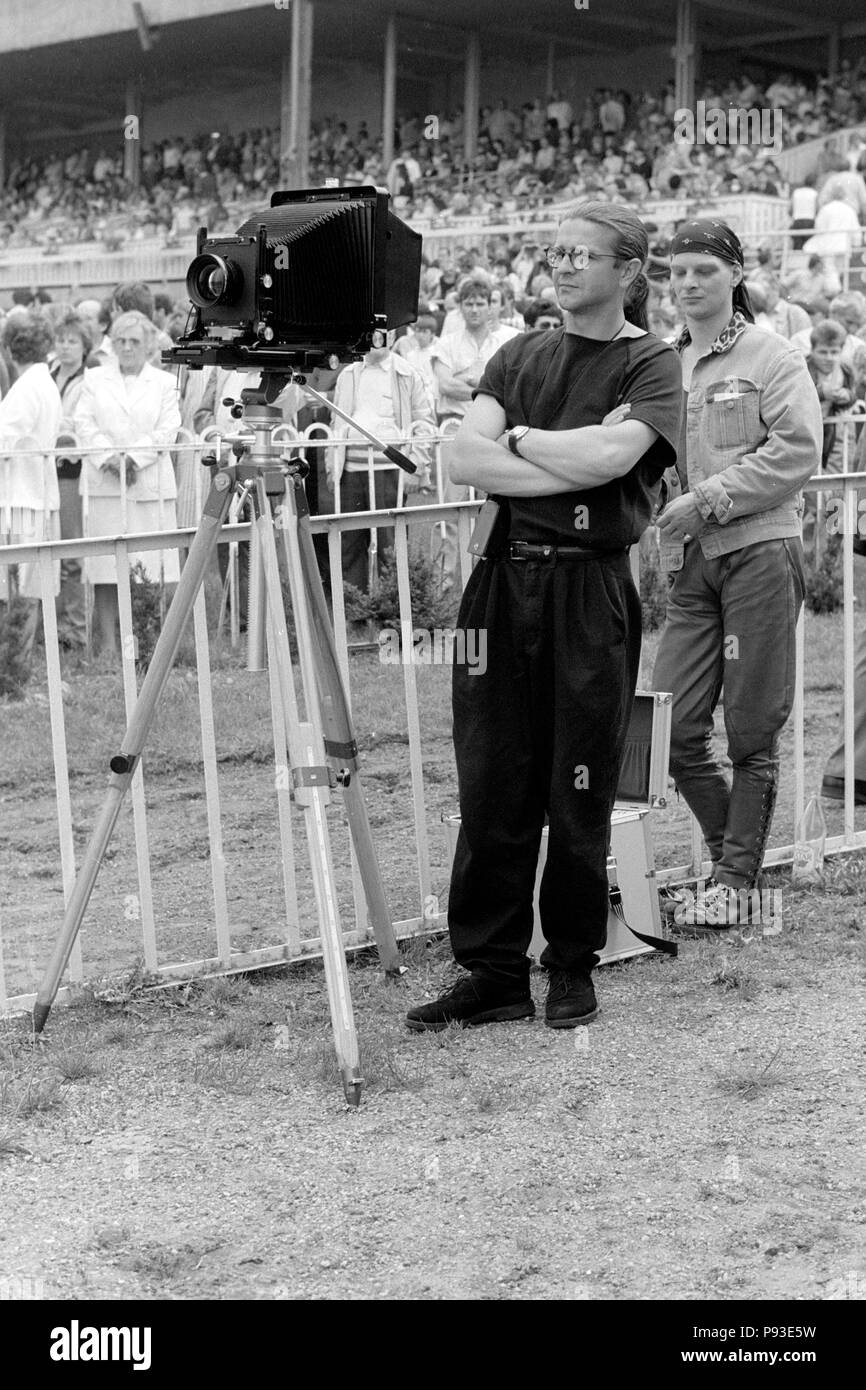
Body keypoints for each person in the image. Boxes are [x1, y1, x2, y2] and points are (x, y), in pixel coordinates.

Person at [405, 202, 682, 1033]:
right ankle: (491, 973)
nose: (561, 267)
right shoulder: (518, 351)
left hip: (588, 591)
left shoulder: (651, 363)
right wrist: (557, 453)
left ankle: (570, 964)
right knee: (491, 780)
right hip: (500, 583)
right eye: (555, 253)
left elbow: (615, 457)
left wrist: (519, 445)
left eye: (582, 255)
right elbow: (461, 454)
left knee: (579, 782)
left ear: (628, 271)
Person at [652, 219, 823, 929]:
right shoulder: (662, 364)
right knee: (670, 726)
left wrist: (709, 500)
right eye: (677, 272)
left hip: (757, 551)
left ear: (734, 275)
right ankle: (734, 868)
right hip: (691, 565)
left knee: (751, 728)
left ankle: (733, 879)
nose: (688, 284)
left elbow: (799, 448)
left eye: (703, 271)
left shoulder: (771, 354)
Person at [74, 311, 182, 657]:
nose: (127, 347)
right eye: (121, 341)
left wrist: (134, 459)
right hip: (105, 484)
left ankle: (147, 644)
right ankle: (108, 648)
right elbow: (83, 422)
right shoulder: (94, 378)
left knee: (148, 569)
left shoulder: (164, 383)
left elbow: (168, 428)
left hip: (147, 485)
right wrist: (109, 458)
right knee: (106, 570)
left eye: (134, 341)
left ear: (148, 345)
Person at [328, 333, 435, 595]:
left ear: (393, 334)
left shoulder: (407, 373)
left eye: (384, 333)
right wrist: (333, 467)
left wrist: (416, 466)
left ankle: (395, 605)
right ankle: (355, 608)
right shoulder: (348, 374)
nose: (378, 338)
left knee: (390, 541)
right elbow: (335, 423)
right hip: (351, 470)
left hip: (389, 471)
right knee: (350, 541)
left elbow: (424, 423)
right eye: (372, 333)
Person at [0, 312, 63, 674]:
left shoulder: (27, 388)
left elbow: (6, 438)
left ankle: (15, 665)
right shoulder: (42, 382)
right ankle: (17, 662)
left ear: (9, 349)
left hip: (20, 497)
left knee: (19, 588)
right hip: (30, 493)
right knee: (26, 586)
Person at [50, 311, 93, 651]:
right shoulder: (47, 375)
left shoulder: (87, 381)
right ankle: (51, 625)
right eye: (61, 340)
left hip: (70, 471)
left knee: (72, 551)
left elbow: (76, 425)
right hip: (45, 469)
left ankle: (75, 629)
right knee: (49, 549)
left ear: (84, 346)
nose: (65, 347)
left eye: (72, 341)